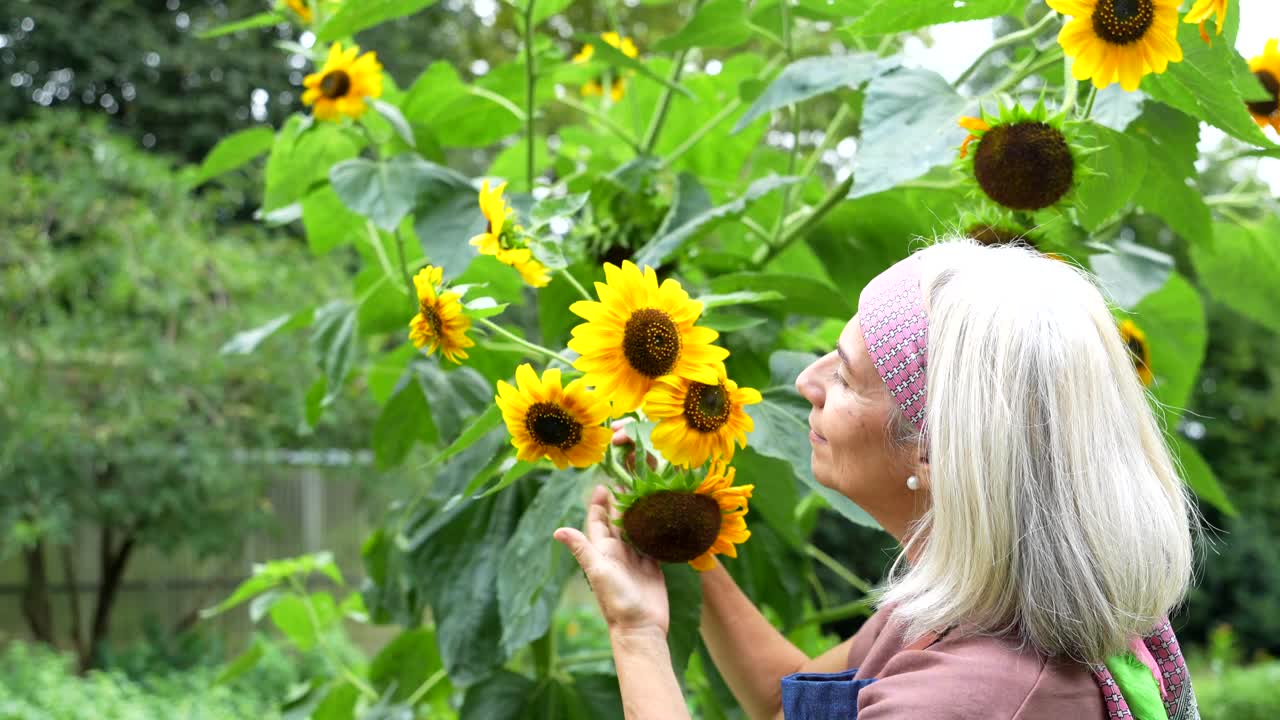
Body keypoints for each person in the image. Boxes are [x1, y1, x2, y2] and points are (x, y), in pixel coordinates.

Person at [552, 237, 1202, 719]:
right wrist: (685, 541)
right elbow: (791, 703)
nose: (807, 382)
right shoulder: (976, 603)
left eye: (845, 377)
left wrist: (635, 636)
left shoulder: (975, 697)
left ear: (936, 451)